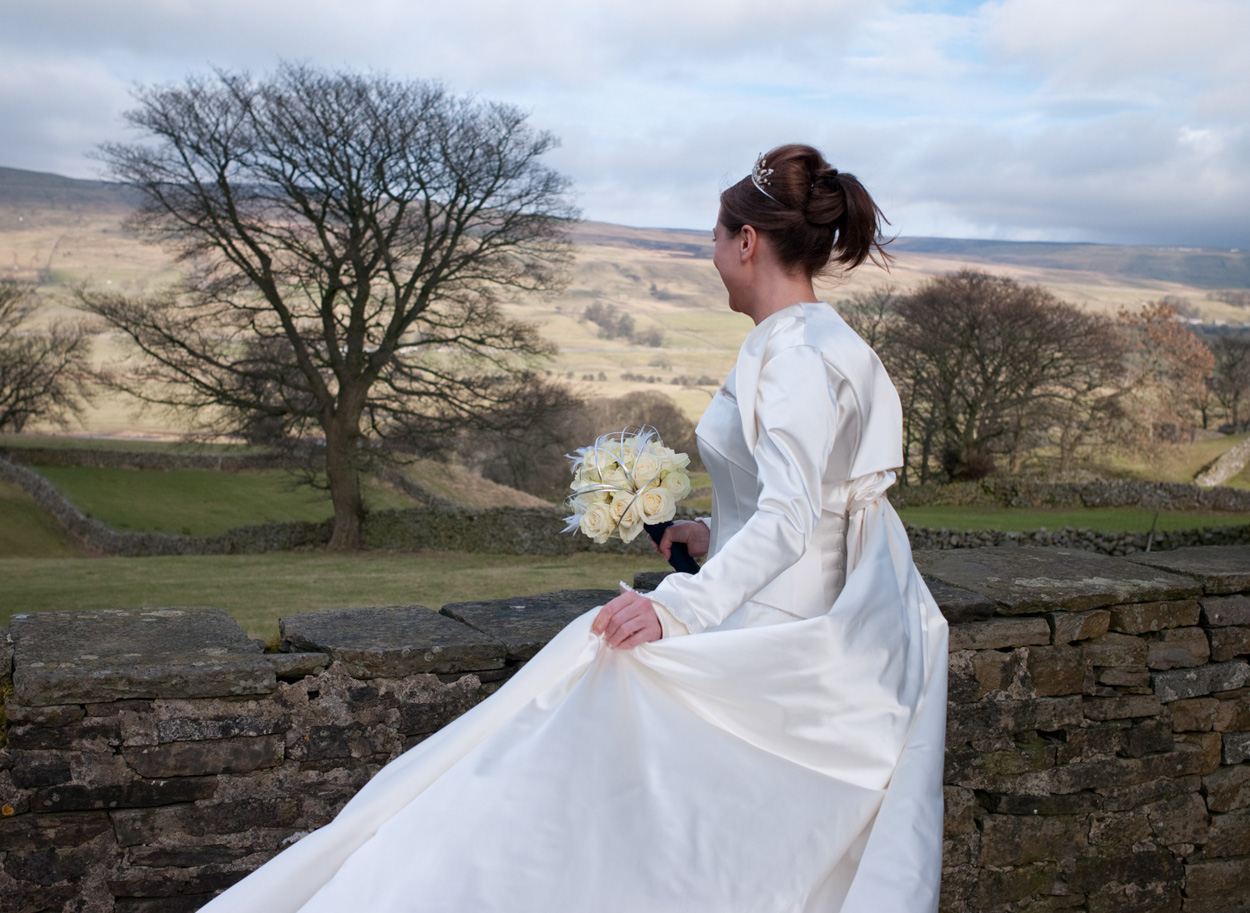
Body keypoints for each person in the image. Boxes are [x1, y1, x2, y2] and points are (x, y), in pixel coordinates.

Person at [201, 145, 949, 913]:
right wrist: (704, 531)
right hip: (781, 611)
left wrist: (674, 606)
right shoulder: (825, 341)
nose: (712, 254)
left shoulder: (792, 355)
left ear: (748, 241)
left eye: (716, 238)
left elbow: (793, 515)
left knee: (582, 745)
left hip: (774, 645)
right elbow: (806, 499)